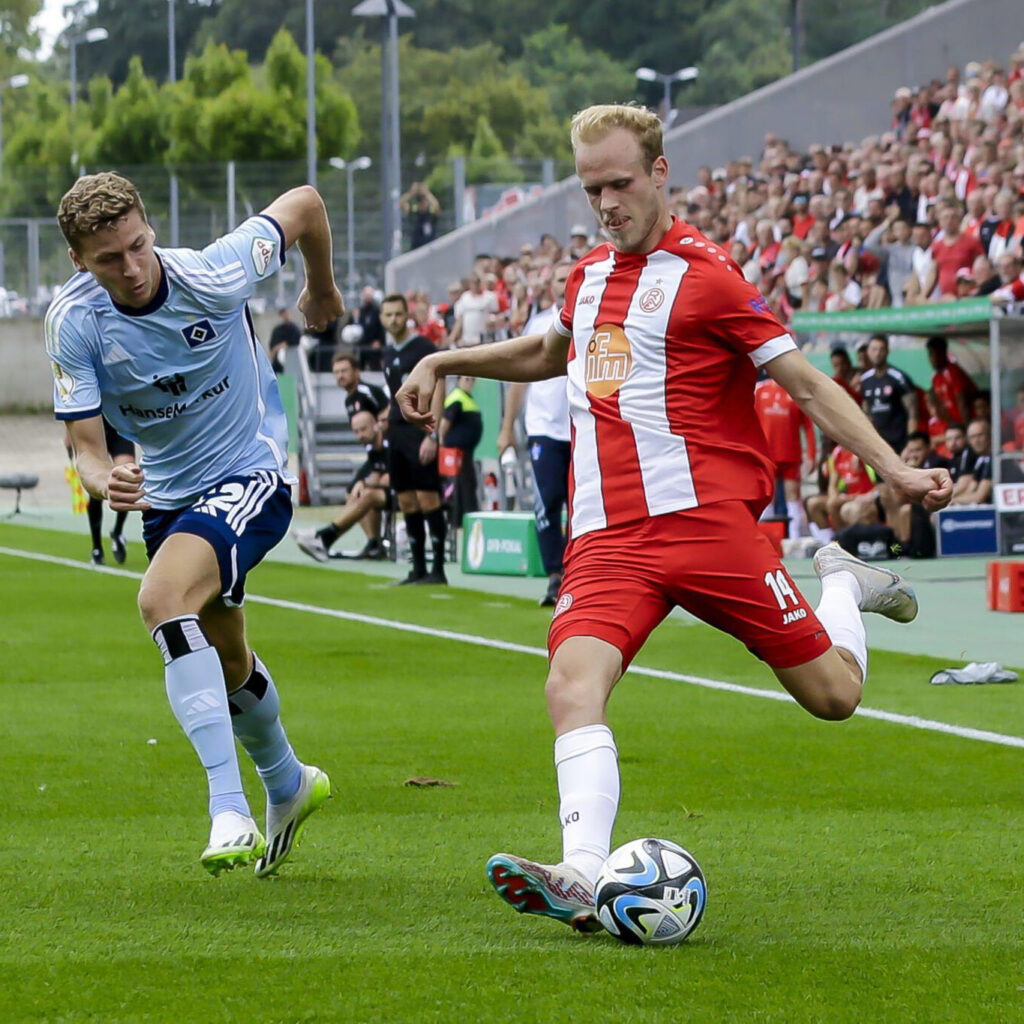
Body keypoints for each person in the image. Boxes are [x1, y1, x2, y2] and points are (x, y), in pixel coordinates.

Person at [396, 104, 952, 934]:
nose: (607, 203)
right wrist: (443, 356)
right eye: (592, 190)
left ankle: (843, 584)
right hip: (609, 540)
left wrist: (896, 467)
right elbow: (552, 353)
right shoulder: (586, 278)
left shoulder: (708, 276)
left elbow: (804, 383)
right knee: (570, 684)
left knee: (834, 697)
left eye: (620, 183)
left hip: (708, 528)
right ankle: (581, 872)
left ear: (660, 173)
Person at [47, 172, 340, 876]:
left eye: (139, 245)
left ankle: (227, 807)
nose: (133, 267)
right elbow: (86, 449)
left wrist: (321, 287)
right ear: (80, 261)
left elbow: (304, 203)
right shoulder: (75, 321)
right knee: (226, 654)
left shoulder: (213, 271)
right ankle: (288, 783)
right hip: (171, 499)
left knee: (159, 598)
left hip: (254, 470)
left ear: (150, 230)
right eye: (111, 258)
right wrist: (101, 477)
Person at [496, 259, 574, 606]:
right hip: (544, 428)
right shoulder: (540, 324)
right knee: (548, 500)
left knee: (583, 507)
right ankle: (555, 575)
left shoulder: (600, 319)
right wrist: (506, 429)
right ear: (550, 285)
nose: (566, 283)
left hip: (584, 427)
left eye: (571, 276)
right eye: (560, 278)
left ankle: (579, 574)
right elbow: (519, 378)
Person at [380, 292, 448, 584]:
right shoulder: (387, 352)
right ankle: (418, 567)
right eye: (388, 315)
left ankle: (438, 570)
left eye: (398, 314)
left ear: (407, 315)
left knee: (428, 497)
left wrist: (432, 434)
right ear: (382, 318)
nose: (394, 319)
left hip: (419, 432)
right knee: (406, 500)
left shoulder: (423, 347)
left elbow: (440, 383)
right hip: (396, 433)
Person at [294, 409, 391, 560]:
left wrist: (368, 483)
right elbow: (377, 474)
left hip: (408, 492)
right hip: (390, 492)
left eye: (363, 429)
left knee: (368, 495)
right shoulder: (372, 448)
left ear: (375, 426)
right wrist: (363, 482)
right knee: (356, 491)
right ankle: (374, 544)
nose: (360, 435)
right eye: (356, 431)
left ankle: (324, 537)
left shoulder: (390, 443)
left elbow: (390, 478)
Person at [66, 416, 135, 565]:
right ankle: (97, 547)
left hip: (119, 429)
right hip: (93, 431)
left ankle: (117, 532)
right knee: (97, 487)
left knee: (128, 479)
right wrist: (69, 435)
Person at [754, 372, 815, 538]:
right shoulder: (759, 391)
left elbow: (808, 427)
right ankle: (766, 540)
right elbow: (749, 420)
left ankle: (794, 540)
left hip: (790, 455)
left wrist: (811, 455)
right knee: (767, 496)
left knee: (793, 496)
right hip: (766, 455)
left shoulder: (795, 392)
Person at [860, 334, 917, 453]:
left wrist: (911, 444)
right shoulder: (865, 380)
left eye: (881, 349)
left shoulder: (898, 378)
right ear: (868, 351)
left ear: (887, 351)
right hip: (878, 445)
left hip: (899, 443)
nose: (877, 353)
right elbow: (866, 412)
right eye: (874, 349)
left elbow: (913, 413)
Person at [439, 375, 483, 525]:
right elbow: (445, 423)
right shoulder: (456, 398)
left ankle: (468, 517)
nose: (470, 382)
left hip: (466, 453)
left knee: (469, 484)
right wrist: (441, 443)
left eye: (472, 379)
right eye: (466, 379)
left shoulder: (468, 398)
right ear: (458, 380)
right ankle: (460, 520)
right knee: (462, 486)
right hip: (456, 453)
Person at [925, 335, 977, 428]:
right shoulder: (935, 377)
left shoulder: (953, 372)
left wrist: (966, 426)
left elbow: (962, 402)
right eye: (930, 354)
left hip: (966, 424)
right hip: (953, 425)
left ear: (943, 353)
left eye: (934, 353)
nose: (931, 358)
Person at [400, 182, 441, 251]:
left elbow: (437, 206)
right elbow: (402, 204)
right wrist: (411, 193)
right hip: (416, 247)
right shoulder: (414, 212)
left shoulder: (431, 213)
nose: (422, 204)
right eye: (420, 202)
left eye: (424, 202)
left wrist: (426, 193)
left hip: (430, 247)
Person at [268, 304, 303, 374]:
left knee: (288, 380)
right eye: (283, 313)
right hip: (277, 362)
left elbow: (295, 341)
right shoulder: (277, 329)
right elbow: (272, 344)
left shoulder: (294, 328)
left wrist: (282, 345)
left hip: (291, 358)